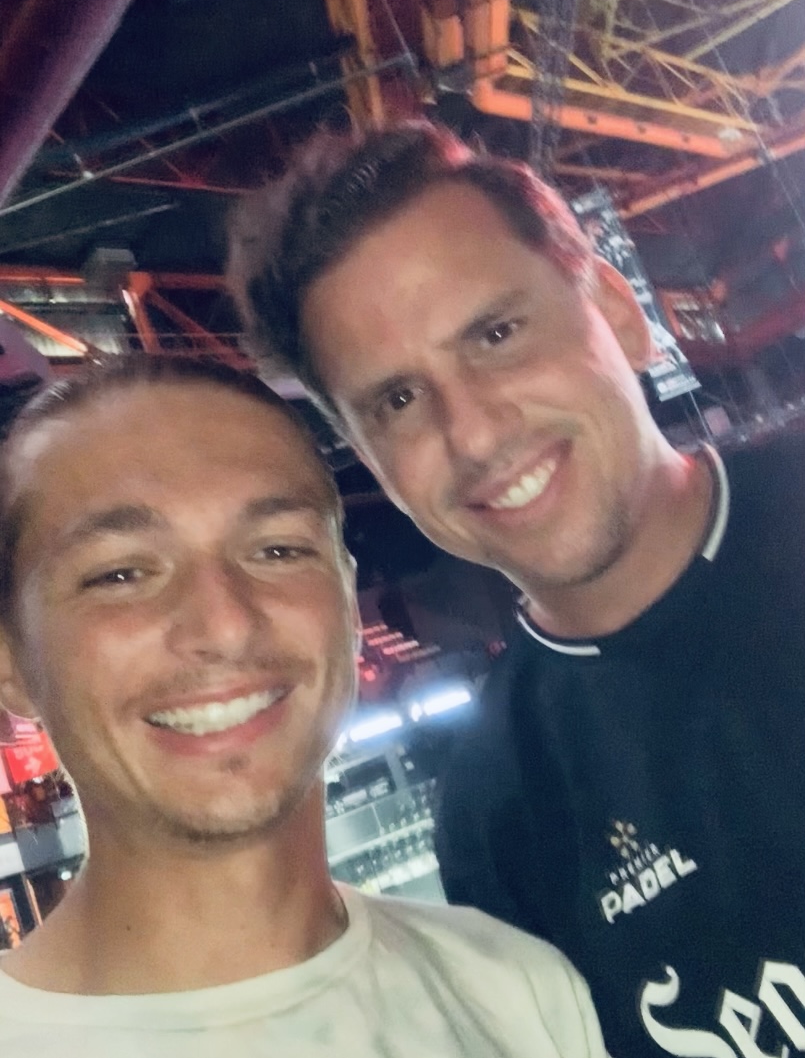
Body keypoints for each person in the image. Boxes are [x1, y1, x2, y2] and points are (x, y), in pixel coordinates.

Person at [228, 120, 805, 1058]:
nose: (473, 432)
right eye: (398, 400)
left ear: (616, 310)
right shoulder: (499, 815)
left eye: (496, 333)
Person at [0, 354, 607, 1056]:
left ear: (347, 604)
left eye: (278, 551)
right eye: (120, 573)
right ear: (11, 661)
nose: (225, 624)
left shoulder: (517, 990)